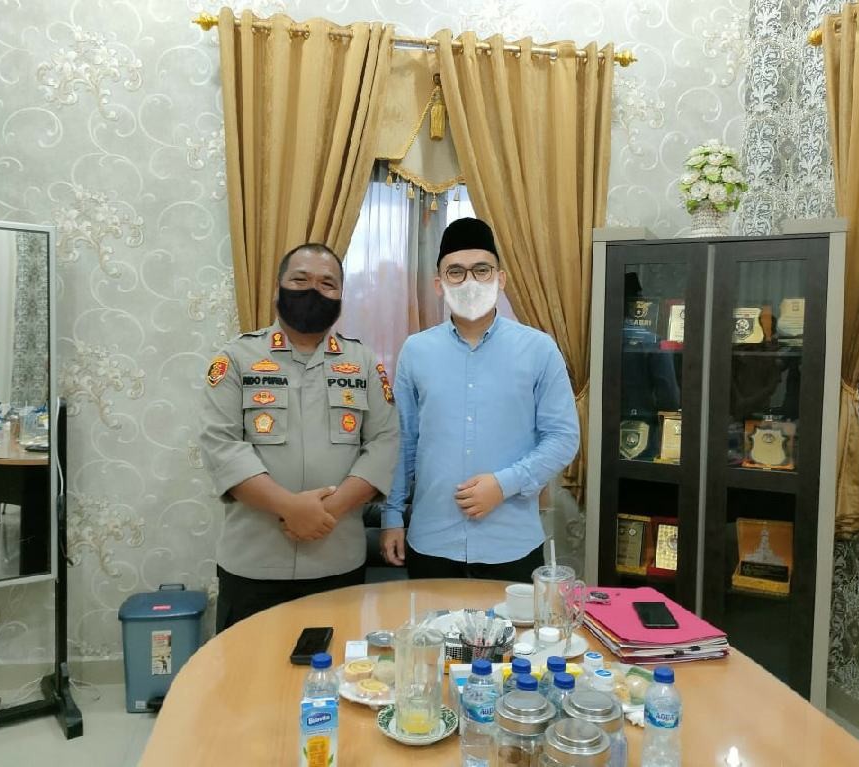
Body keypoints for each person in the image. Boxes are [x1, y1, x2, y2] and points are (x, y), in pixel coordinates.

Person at [200, 243, 399, 631]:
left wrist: (329, 511)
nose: (314, 290)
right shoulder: (236, 358)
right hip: (254, 563)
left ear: (341, 296)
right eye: (301, 279)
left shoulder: (363, 363)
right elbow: (221, 445)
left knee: (334, 664)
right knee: (249, 667)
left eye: (328, 283)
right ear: (278, 289)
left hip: (337, 559)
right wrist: (290, 508)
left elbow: (384, 442)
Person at [380, 218, 580, 581]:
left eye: (481, 270)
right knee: (431, 621)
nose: (469, 281)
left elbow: (563, 437)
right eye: (456, 272)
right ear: (439, 284)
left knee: (515, 622)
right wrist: (392, 515)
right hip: (432, 541)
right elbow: (403, 440)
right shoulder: (416, 350)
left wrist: (504, 484)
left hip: (511, 542)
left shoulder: (539, 349)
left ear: (500, 279)